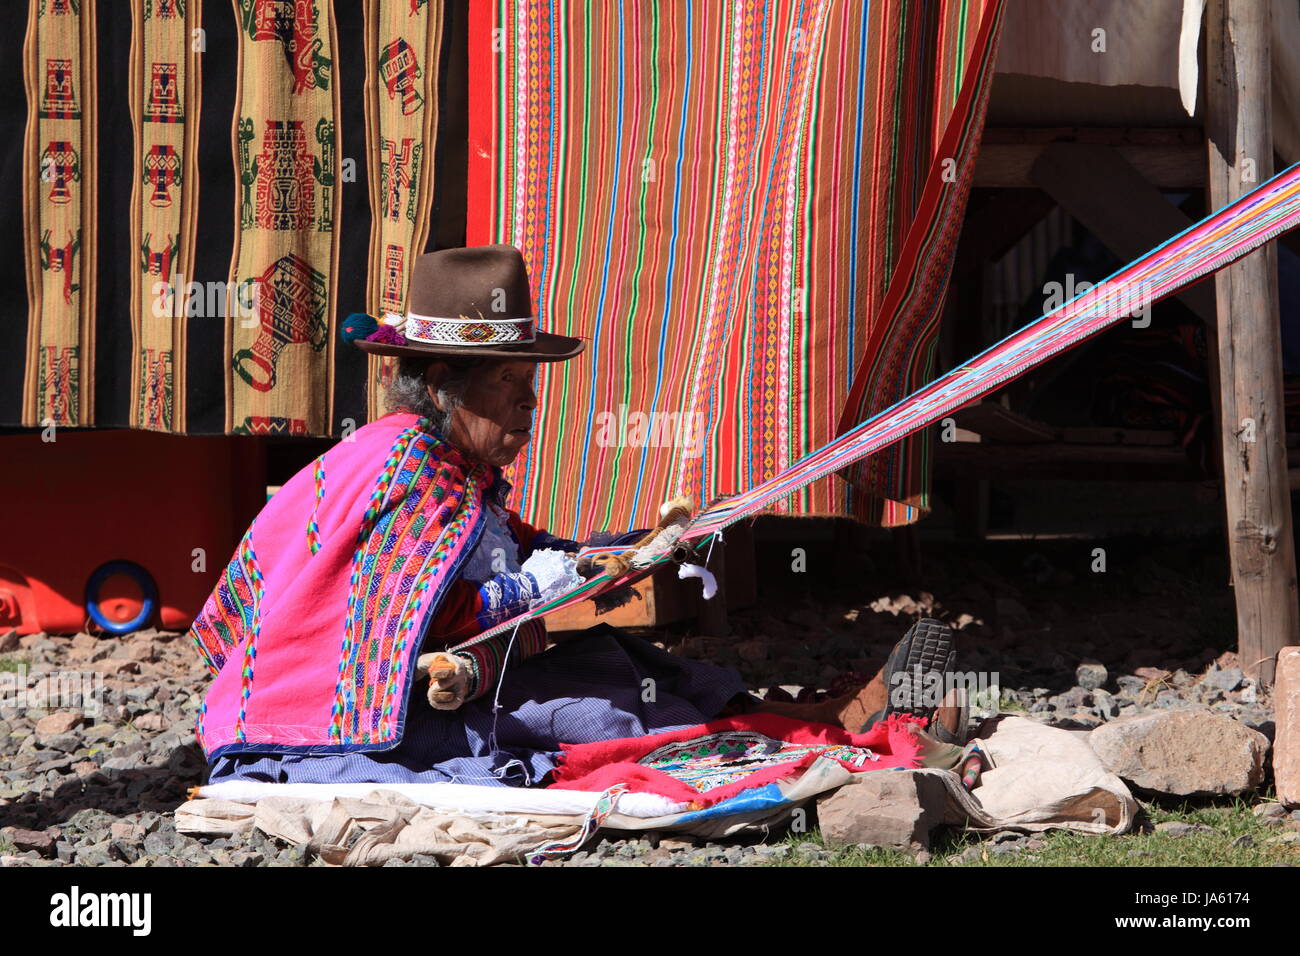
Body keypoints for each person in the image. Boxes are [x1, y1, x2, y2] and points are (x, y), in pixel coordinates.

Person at [190, 244, 964, 787]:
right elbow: (411, 628)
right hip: (356, 712)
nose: (530, 407)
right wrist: (532, 592)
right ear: (443, 385)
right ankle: (823, 740)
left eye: (530, 387)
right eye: (510, 388)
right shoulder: (407, 475)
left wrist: (624, 552)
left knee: (642, 669)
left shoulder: (452, 467)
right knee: (601, 716)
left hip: (445, 680)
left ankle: (825, 719)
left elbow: (512, 549)